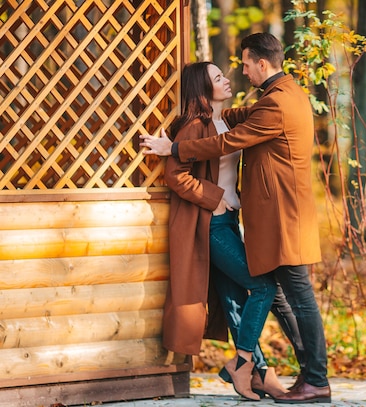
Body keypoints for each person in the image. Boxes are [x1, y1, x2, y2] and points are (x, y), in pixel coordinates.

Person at [140, 32, 331, 404]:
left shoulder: (274, 104)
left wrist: (174, 147)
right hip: (227, 222)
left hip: (280, 218)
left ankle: (302, 375)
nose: (239, 72)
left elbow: (227, 141)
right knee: (250, 294)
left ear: (262, 63)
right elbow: (201, 149)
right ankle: (259, 369)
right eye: (221, 76)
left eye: (245, 64)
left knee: (289, 295)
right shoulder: (281, 96)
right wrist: (213, 195)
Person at [160, 61, 304, 401]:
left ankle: (260, 372)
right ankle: (242, 363)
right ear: (202, 88)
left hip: (227, 222)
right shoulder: (194, 126)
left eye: (224, 74)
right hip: (208, 224)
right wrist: (216, 199)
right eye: (218, 77)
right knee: (263, 285)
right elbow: (175, 175)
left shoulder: (227, 120)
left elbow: (262, 112)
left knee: (235, 301)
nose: (227, 79)